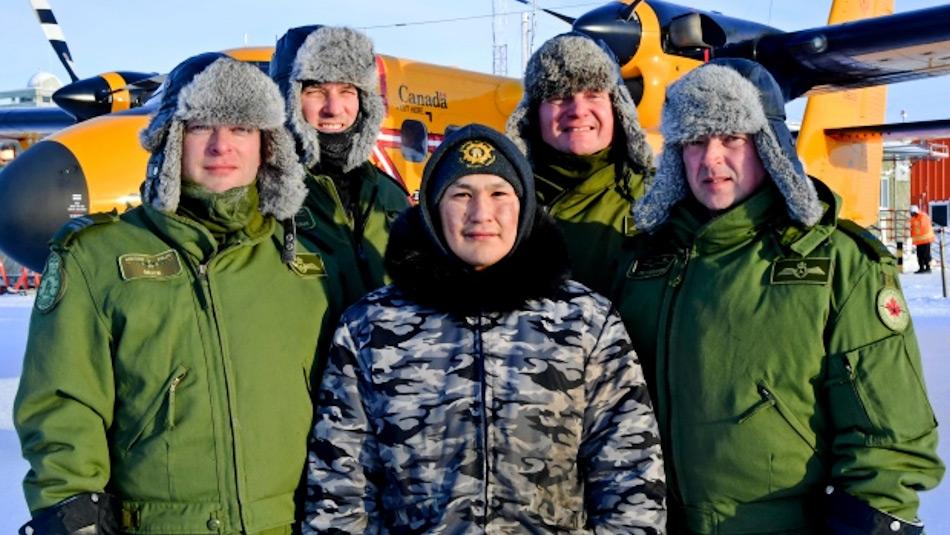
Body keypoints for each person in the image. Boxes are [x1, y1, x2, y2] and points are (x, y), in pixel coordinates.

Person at [611, 59, 944, 534]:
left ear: (768, 146)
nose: (711, 161)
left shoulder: (839, 263)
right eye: (695, 142)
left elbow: (888, 444)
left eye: (732, 139)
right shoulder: (645, 266)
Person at [14, 53, 335, 534]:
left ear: (268, 146)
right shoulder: (99, 258)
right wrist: (73, 516)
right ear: (170, 140)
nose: (222, 145)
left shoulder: (308, 265)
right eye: (201, 127)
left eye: (242, 129)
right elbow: (62, 406)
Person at [305, 124, 666, 533]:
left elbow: (631, 476)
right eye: (461, 195)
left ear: (524, 206)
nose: (481, 214)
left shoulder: (586, 322)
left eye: (499, 194)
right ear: (433, 208)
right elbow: (339, 489)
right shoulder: (372, 328)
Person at [270, 25, 410, 309]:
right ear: (288, 99)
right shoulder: (263, 195)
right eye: (315, 91)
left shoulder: (391, 197)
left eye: (347, 90)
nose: (334, 108)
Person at [505, 32, 654, 295]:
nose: (578, 110)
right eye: (559, 96)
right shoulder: (503, 203)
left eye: (594, 94)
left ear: (617, 108)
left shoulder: (658, 201)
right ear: (533, 113)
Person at [909, 204, 935, 273]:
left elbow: (922, 227)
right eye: (911, 213)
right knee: (919, 255)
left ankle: (928, 268)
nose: (912, 215)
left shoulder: (923, 216)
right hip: (919, 241)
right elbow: (913, 229)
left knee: (926, 254)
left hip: (926, 240)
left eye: (912, 213)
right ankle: (921, 268)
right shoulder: (913, 219)